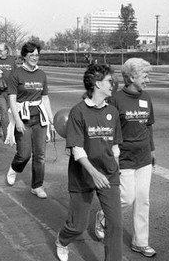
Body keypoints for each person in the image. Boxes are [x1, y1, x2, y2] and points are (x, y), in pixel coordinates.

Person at [55, 64, 123, 261]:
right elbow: (77, 149)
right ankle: (62, 240)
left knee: (116, 224)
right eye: (110, 81)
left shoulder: (113, 111)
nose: (114, 84)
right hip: (83, 175)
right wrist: (94, 173)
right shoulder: (78, 112)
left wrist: (115, 167)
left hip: (108, 175)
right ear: (97, 83)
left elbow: (116, 146)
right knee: (78, 226)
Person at [95, 58, 157, 258]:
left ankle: (140, 242)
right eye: (145, 75)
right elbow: (108, 129)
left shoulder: (146, 97)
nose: (148, 79)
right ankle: (103, 215)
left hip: (144, 157)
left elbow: (148, 126)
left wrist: (152, 150)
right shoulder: (115, 99)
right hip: (124, 158)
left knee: (143, 199)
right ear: (131, 77)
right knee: (127, 197)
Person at [5, 41, 54, 199]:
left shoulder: (42, 74)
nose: (35, 58)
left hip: (39, 118)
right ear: (24, 56)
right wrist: (17, 121)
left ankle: (37, 186)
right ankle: (14, 168)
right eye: (31, 55)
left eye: (37, 55)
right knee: (24, 154)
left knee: (40, 155)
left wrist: (51, 120)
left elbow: (45, 98)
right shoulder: (16, 74)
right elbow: (12, 100)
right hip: (23, 117)